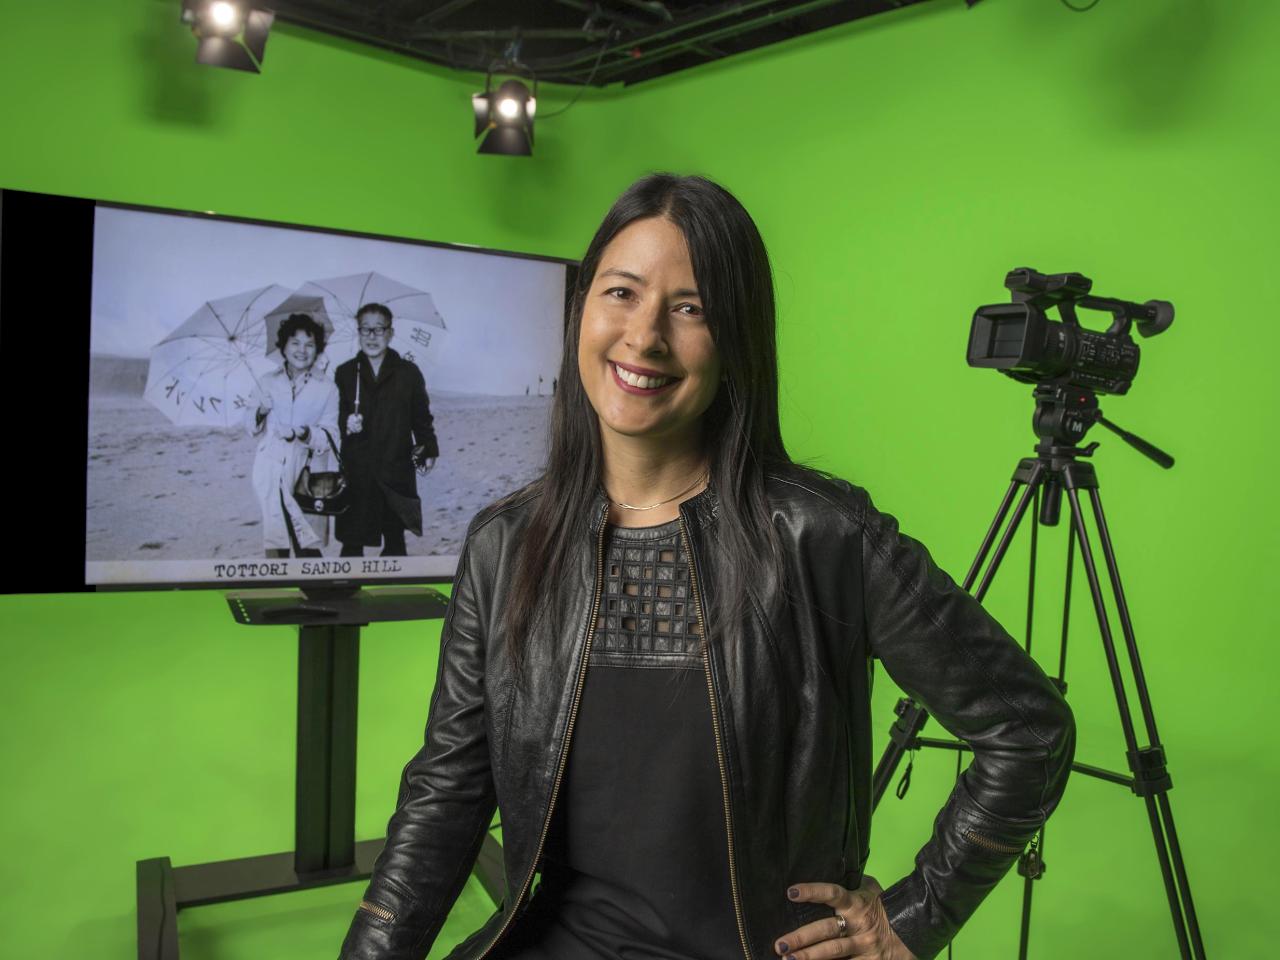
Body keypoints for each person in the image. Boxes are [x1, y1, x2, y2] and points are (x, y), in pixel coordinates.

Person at [337, 175, 1075, 960]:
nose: (644, 336)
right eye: (621, 293)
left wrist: (912, 919)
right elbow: (446, 793)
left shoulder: (822, 535)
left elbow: (1028, 731)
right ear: (582, 309)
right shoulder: (505, 545)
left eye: (691, 309)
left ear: (738, 340)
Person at [334, 303, 439, 557]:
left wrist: (429, 448)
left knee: (395, 543)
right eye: (365, 329)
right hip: (357, 470)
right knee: (352, 544)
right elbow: (332, 419)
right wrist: (346, 422)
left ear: (390, 333)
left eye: (379, 329)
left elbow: (422, 418)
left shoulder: (408, 373)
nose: (372, 336)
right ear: (358, 332)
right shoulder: (346, 373)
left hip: (396, 468)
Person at [247, 312, 339, 558]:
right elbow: (250, 427)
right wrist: (260, 411)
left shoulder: (328, 387)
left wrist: (305, 432)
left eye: (310, 345)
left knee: (307, 541)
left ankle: (314, 591)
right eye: (295, 343)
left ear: (318, 350)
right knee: (275, 537)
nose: (302, 350)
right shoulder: (266, 382)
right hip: (270, 465)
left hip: (306, 469)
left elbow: (331, 437)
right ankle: (277, 589)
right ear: (283, 347)